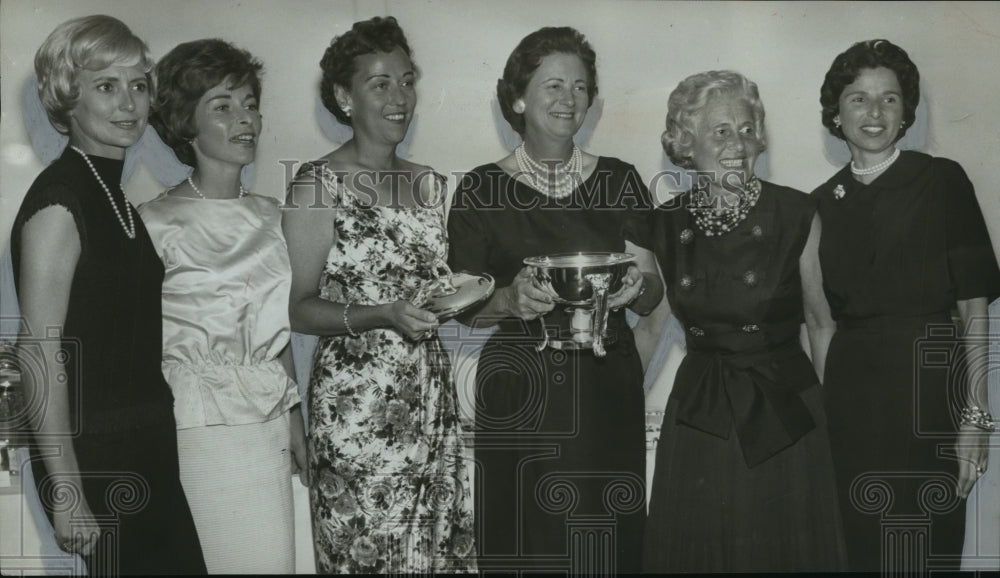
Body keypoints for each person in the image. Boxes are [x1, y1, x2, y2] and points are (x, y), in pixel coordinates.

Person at [447, 26, 663, 574]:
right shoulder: (480, 188)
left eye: (581, 87)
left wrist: (640, 289)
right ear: (518, 98)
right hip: (521, 387)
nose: (570, 100)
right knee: (529, 542)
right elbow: (463, 304)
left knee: (605, 546)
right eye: (553, 86)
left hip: (605, 386)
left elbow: (653, 287)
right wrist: (508, 300)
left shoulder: (621, 180)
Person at [10, 15, 206, 575]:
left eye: (138, 85)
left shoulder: (113, 197)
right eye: (106, 86)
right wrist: (68, 493)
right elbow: (38, 352)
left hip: (145, 444)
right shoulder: (59, 203)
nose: (129, 104)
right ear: (68, 97)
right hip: (98, 459)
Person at [281, 16, 476, 574]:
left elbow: (436, 287)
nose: (400, 97)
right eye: (380, 83)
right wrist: (382, 315)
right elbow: (296, 307)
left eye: (407, 80)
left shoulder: (429, 183)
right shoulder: (318, 184)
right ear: (344, 96)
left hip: (430, 397)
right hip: (358, 407)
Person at [641, 70, 847, 573]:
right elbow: (649, 331)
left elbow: (821, 324)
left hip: (786, 412)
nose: (740, 144)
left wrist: (832, 425)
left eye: (748, 128)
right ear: (686, 142)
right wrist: (608, 406)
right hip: (701, 415)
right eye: (722, 131)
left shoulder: (795, 213)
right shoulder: (665, 224)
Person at [814, 39, 1000, 572]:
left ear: (906, 112)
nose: (874, 113)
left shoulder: (942, 181)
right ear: (836, 111)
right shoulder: (819, 203)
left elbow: (974, 308)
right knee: (861, 551)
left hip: (930, 395)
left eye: (889, 99)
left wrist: (975, 417)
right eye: (858, 98)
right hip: (851, 402)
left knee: (926, 549)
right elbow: (820, 322)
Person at [138, 39, 306, 574]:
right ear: (185, 122)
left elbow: (278, 333)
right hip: (196, 426)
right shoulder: (154, 221)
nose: (246, 120)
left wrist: (297, 423)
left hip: (268, 426)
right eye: (223, 106)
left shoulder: (273, 215)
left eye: (251, 103)